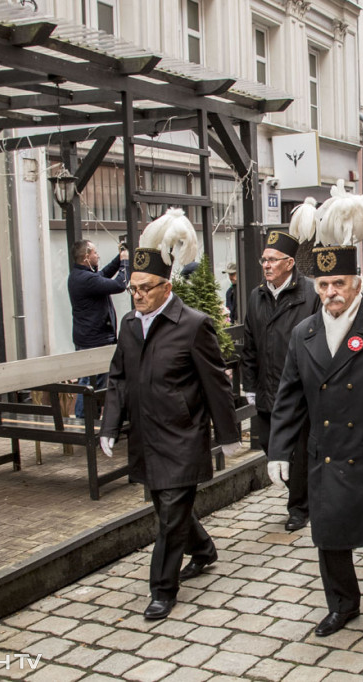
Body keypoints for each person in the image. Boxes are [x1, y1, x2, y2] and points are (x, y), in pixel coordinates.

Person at [268, 187, 363, 638]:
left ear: (357, 284)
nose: (331, 293)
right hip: (326, 454)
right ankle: (343, 604)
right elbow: (289, 398)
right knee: (329, 534)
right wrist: (278, 451)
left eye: (340, 284)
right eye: (324, 286)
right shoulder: (304, 332)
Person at [99, 236, 241, 621]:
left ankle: (162, 589)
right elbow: (119, 378)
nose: (137, 296)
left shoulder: (194, 325)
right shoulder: (129, 325)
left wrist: (228, 437)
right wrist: (109, 425)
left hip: (183, 434)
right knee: (167, 509)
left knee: (171, 513)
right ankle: (204, 549)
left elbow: (216, 383)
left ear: (167, 287)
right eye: (133, 289)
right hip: (147, 434)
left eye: (146, 288)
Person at [241, 229, 320, 532]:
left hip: (299, 392)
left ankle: (299, 508)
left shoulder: (310, 294)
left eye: (272, 260)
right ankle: (303, 494)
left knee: (297, 451)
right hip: (265, 388)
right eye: (264, 260)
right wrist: (249, 385)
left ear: (289, 263)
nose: (266, 265)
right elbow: (249, 345)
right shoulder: (257, 295)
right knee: (268, 444)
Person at [67, 239, 129, 419]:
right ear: (86, 256)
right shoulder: (85, 279)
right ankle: (83, 421)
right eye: (95, 252)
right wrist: (125, 262)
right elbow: (119, 284)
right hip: (94, 341)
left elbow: (103, 274)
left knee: (97, 383)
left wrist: (119, 258)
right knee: (89, 384)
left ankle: (90, 420)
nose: (98, 255)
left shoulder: (81, 276)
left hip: (92, 338)